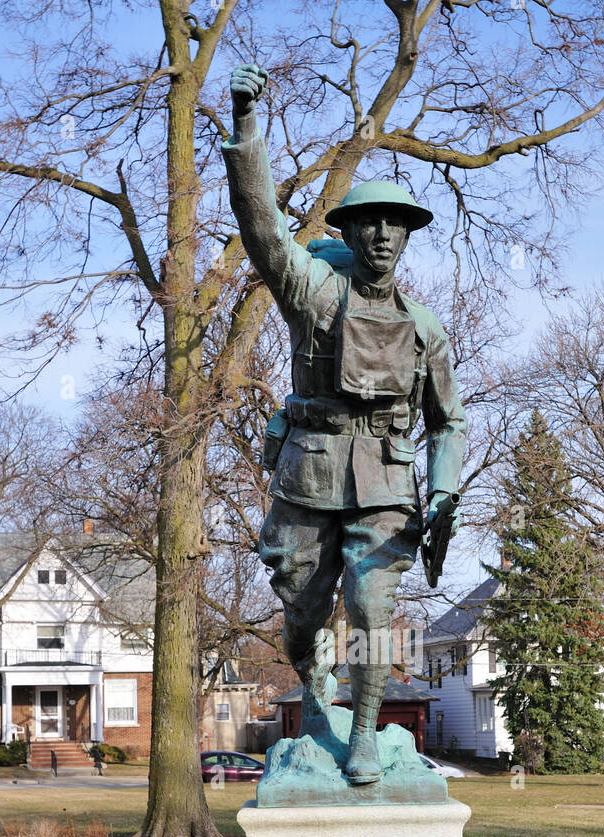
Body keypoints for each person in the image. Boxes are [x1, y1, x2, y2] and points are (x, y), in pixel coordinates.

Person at [223, 62, 466, 785]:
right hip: (311, 471)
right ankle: (318, 703)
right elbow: (260, 223)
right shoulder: (312, 291)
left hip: (386, 480)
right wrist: (244, 124)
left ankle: (364, 734)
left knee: (370, 607)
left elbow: (447, 420)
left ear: (408, 235)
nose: (384, 234)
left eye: (396, 223)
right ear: (352, 231)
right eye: (370, 223)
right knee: (303, 614)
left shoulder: (424, 328)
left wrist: (445, 491)